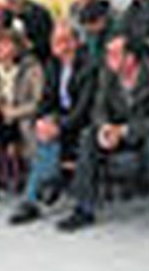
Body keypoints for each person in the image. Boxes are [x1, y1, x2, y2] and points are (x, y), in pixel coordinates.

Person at [57, 34, 149, 250]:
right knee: (87, 136)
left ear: (130, 58)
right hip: (117, 133)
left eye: (113, 54)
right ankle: (84, 208)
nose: (107, 58)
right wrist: (104, 129)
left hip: (145, 135)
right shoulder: (108, 74)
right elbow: (98, 109)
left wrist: (122, 131)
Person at [11, 22, 97, 225]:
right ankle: (38, 194)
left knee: (50, 138)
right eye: (55, 41)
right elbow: (46, 100)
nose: (58, 45)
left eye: (63, 41)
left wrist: (57, 125)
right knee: (42, 134)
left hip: (84, 123)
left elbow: (84, 109)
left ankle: (43, 193)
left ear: (75, 42)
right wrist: (42, 120)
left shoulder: (89, 66)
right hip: (61, 119)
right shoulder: (53, 64)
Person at [0, 29, 45, 207]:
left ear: (17, 48)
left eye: (7, 44)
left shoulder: (31, 68)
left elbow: (38, 102)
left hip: (22, 117)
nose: (1, 49)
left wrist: (13, 112)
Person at [66, 0, 113, 65]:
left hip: (98, 55)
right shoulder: (75, 9)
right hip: (78, 54)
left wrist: (86, 27)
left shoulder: (104, 7)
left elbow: (100, 27)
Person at [2, 0, 54, 64]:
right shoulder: (8, 12)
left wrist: (31, 45)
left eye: (14, 3)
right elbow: (4, 28)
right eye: (9, 4)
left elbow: (47, 40)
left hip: (38, 53)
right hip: (18, 51)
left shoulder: (40, 13)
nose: (12, 8)